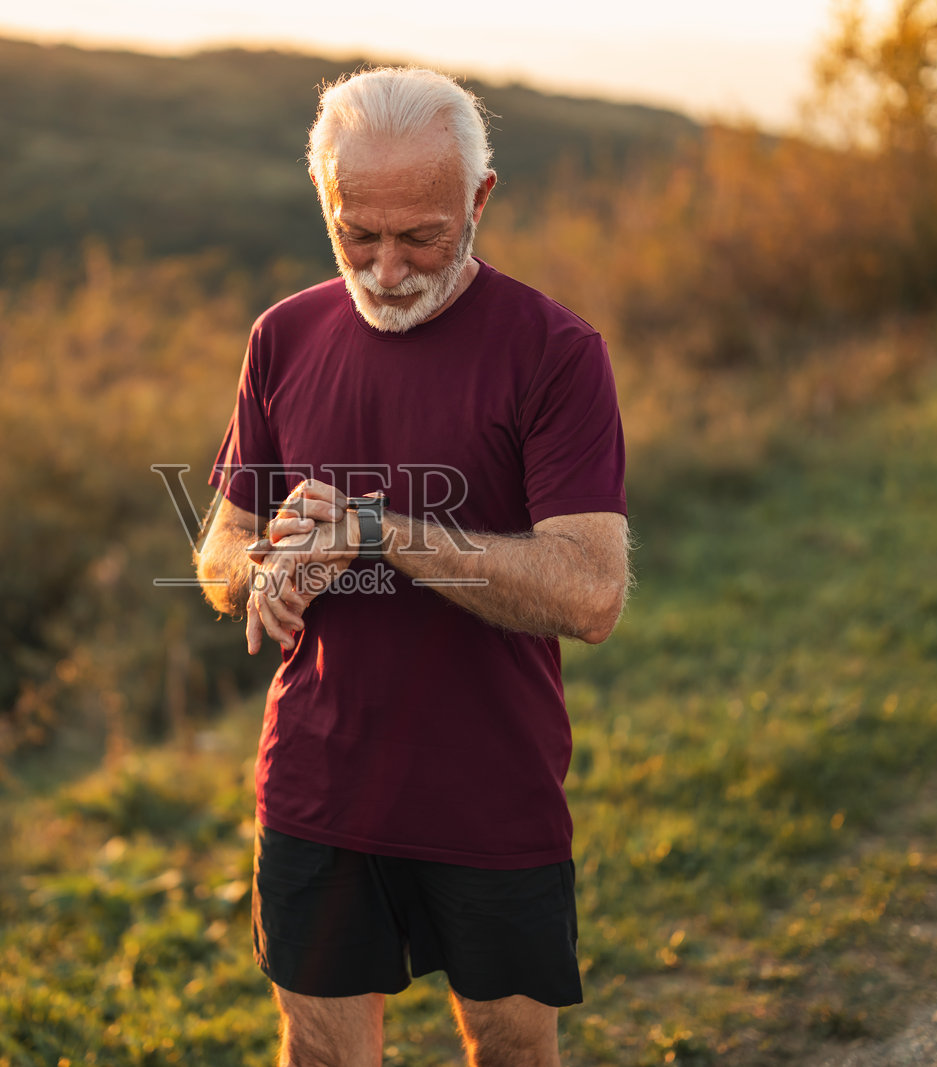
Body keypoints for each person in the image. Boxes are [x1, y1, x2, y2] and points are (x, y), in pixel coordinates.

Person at [193, 66, 630, 1067]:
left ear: (478, 200)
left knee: (513, 1048)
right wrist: (259, 571)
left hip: (493, 785)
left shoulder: (555, 352)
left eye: (421, 236)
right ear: (325, 203)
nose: (387, 270)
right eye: (358, 235)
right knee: (317, 1050)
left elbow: (591, 592)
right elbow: (218, 548)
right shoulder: (283, 336)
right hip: (317, 782)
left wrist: (381, 530)